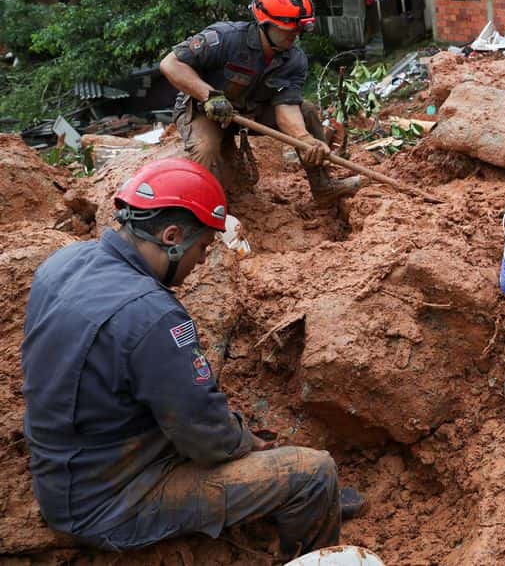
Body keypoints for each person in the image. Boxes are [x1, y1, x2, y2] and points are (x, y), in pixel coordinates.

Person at [21, 158, 354, 557]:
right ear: (172, 235)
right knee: (313, 473)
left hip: (65, 472)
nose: (198, 264)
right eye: (202, 248)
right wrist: (244, 441)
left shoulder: (61, 264)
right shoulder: (150, 314)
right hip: (111, 503)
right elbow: (206, 438)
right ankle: (305, 550)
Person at [160, 0, 362, 202]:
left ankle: (322, 186)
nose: (294, 35)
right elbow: (170, 64)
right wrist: (210, 96)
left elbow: (286, 106)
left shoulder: (294, 60)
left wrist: (305, 139)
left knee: (306, 110)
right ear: (264, 22)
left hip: (248, 113)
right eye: (287, 29)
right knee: (205, 149)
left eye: (297, 30)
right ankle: (201, 211)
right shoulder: (225, 38)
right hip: (201, 111)